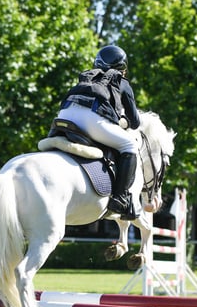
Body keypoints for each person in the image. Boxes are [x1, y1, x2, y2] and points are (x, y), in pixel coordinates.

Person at [57, 45, 141, 219]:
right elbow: (135, 122)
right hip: (91, 119)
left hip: (64, 115)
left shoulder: (87, 76)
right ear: (122, 69)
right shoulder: (121, 82)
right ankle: (120, 198)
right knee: (129, 145)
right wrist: (123, 121)